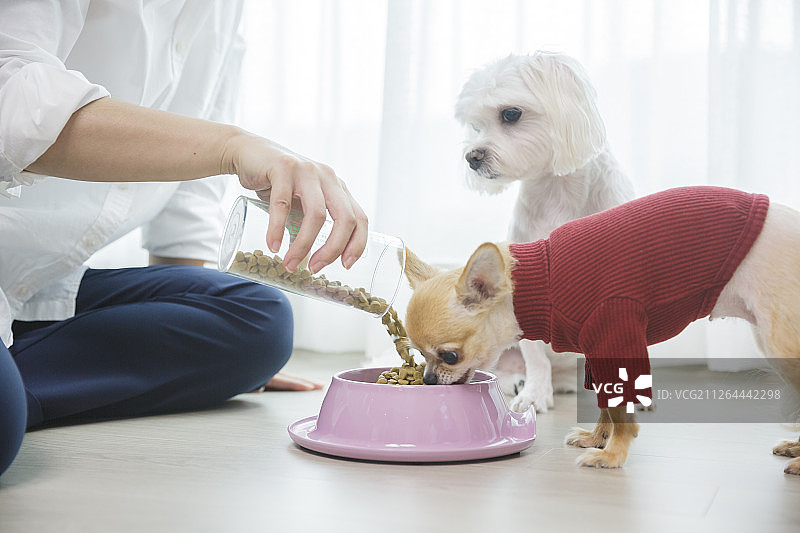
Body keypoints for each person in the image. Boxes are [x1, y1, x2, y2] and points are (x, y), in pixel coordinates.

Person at [0, 1, 368, 477]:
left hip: (34, 277)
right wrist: (230, 145)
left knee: (257, 319)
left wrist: (200, 355)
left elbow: (191, 184)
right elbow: (9, 89)